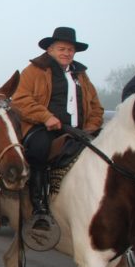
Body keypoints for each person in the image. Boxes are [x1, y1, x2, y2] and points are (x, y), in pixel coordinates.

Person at [12, 26, 104, 229]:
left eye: (70, 50)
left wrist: (91, 127)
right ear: (50, 49)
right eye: (62, 49)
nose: (66, 53)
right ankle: (39, 207)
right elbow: (19, 99)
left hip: (79, 131)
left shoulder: (81, 75)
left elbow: (96, 106)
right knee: (38, 150)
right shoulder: (34, 70)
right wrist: (46, 117)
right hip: (43, 128)